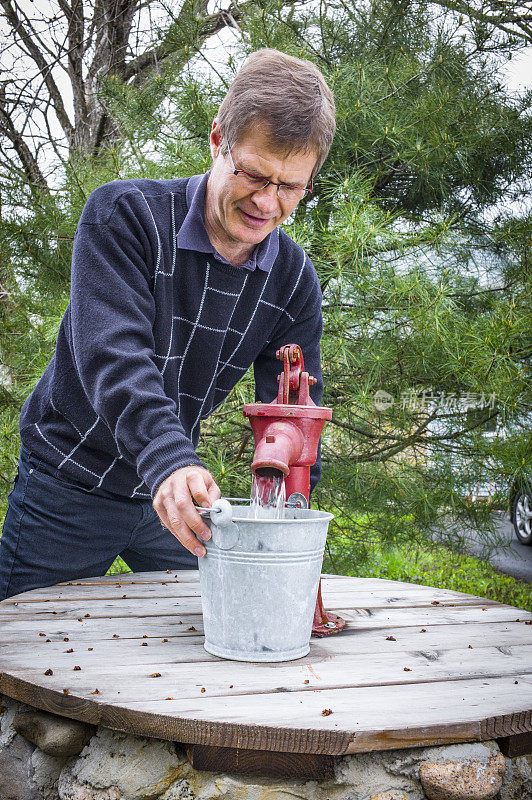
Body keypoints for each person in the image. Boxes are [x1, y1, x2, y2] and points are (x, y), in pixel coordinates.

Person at [0, 48, 336, 600]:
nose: (267, 202)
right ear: (217, 140)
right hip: (69, 483)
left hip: (181, 502)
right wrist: (171, 460)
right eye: (254, 173)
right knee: (18, 651)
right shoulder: (123, 215)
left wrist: (293, 521)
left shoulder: (292, 278)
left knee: (208, 649)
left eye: (291, 186)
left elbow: (297, 412)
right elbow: (115, 356)